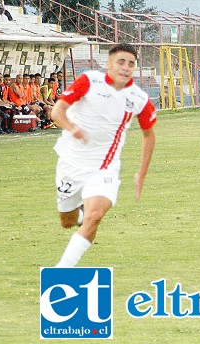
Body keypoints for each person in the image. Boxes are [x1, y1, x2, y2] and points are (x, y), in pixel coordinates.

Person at [52, 43, 157, 267]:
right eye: (121, 62)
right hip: (71, 164)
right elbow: (57, 111)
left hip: (104, 168)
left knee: (95, 216)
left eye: (131, 64)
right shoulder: (89, 81)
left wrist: (142, 173)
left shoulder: (139, 99)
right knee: (67, 221)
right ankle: (81, 215)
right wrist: (72, 128)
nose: (126, 67)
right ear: (108, 64)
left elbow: (149, 135)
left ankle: (61, 272)